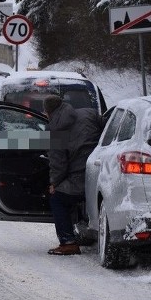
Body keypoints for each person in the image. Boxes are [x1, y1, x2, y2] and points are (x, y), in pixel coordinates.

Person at [43, 94, 103, 255]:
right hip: (101, 172)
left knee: (58, 198)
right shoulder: (89, 113)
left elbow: (58, 164)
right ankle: (85, 229)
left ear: (48, 112)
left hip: (79, 178)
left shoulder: (55, 131)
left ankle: (68, 242)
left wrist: (54, 184)